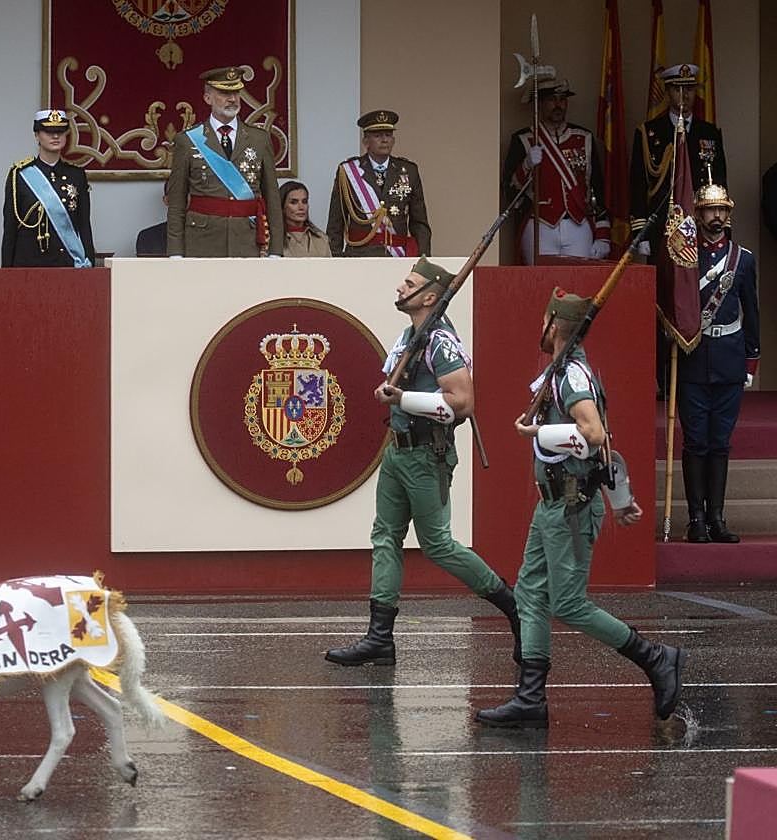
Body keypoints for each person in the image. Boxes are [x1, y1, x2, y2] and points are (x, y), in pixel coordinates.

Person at [476, 289, 684, 728]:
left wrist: (536, 432)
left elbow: (595, 435)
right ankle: (530, 698)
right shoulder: (561, 371)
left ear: (553, 325)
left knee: (568, 604)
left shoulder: (571, 375)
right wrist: (621, 498)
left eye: (543, 320)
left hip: (569, 508)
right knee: (530, 594)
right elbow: (606, 452)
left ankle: (656, 658)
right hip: (552, 504)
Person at [325, 258, 519, 667]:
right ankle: (380, 637)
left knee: (438, 546)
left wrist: (403, 399)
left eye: (409, 283)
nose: (400, 287)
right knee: (385, 537)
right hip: (397, 450)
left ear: (430, 296)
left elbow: (463, 401)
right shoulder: (411, 335)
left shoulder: (440, 342)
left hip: (426, 453)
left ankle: (514, 607)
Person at [677, 179, 759, 544]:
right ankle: (695, 519)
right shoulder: (684, 259)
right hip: (694, 359)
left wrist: (751, 359)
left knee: (720, 442)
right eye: (711, 210)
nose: (718, 216)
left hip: (729, 358)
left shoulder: (744, 259)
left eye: (723, 210)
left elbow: (752, 311)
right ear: (698, 213)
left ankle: (717, 518)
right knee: (696, 441)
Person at [165, 66, 283, 258]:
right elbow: (177, 201)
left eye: (236, 92)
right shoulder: (187, 140)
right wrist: (175, 253)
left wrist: (276, 250)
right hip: (202, 242)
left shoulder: (259, 139)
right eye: (224, 93)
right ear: (207, 98)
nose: (232, 99)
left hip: (247, 241)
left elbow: (272, 198)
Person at [503, 78, 610, 263]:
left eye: (562, 99)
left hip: (578, 224)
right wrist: (527, 164)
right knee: (541, 284)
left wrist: (603, 234)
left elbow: (597, 189)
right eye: (552, 100)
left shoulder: (583, 138)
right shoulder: (524, 139)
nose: (558, 105)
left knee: (579, 285)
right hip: (540, 225)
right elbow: (510, 191)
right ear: (540, 104)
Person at [629, 63, 726, 259]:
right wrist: (641, 233)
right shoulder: (648, 133)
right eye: (677, 89)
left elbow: (720, 180)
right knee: (664, 285)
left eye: (689, 89)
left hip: (702, 223)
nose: (685, 95)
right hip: (662, 224)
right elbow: (638, 184)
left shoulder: (709, 132)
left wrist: (723, 224)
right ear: (667, 92)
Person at [326, 110, 430, 258]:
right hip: (360, 256)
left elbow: (419, 223)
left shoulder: (409, 171)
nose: (384, 140)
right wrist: (335, 259)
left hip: (397, 256)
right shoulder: (348, 172)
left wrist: (423, 259)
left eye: (388, 135)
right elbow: (336, 223)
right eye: (377, 135)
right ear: (365, 141)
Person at [1, 109, 96, 268]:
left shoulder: (77, 175)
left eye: (60, 131)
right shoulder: (20, 174)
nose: (55, 136)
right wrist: (7, 272)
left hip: (66, 263)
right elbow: (10, 230)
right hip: (29, 264)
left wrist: (90, 263)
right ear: (37, 135)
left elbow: (84, 225)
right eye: (48, 131)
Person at [279, 180, 330, 258]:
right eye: (294, 202)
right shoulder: (273, 241)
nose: (301, 207)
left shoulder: (321, 240)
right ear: (282, 206)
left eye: (304, 201)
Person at [134, 181, 168, 257]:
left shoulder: (200, 237)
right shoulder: (147, 237)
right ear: (166, 200)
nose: (181, 199)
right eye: (176, 195)